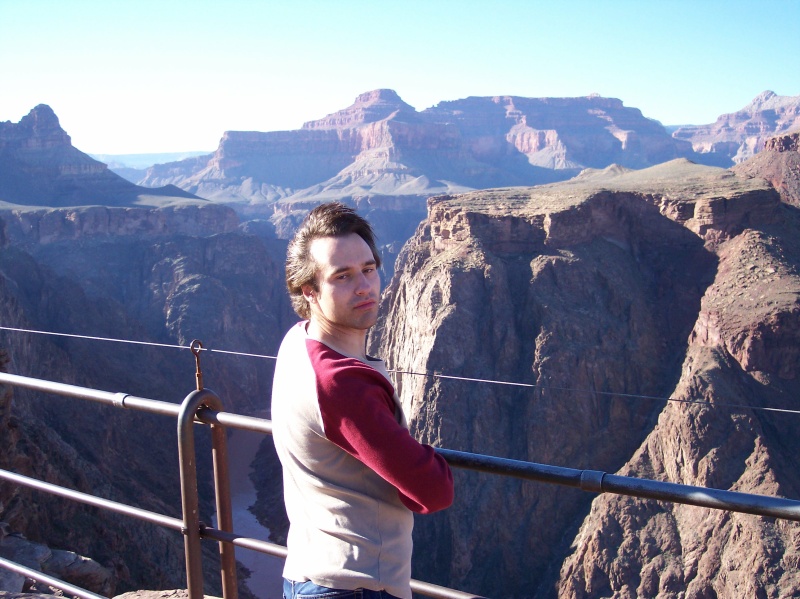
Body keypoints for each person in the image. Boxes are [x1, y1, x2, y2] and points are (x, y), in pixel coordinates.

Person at [271, 201, 454, 599]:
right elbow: (434, 490)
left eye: (369, 269)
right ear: (310, 291)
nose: (364, 286)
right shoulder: (341, 383)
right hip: (355, 586)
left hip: (307, 573)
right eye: (342, 276)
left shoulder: (297, 341)